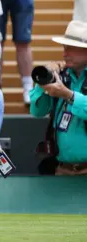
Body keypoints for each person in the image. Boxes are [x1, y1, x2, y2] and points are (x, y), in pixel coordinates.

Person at [29, 20, 87, 176]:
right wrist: (43, 81)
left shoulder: (64, 86)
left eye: (71, 48)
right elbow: (37, 111)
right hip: (62, 169)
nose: (64, 53)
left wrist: (67, 94)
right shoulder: (63, 76)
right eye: (64, 47)